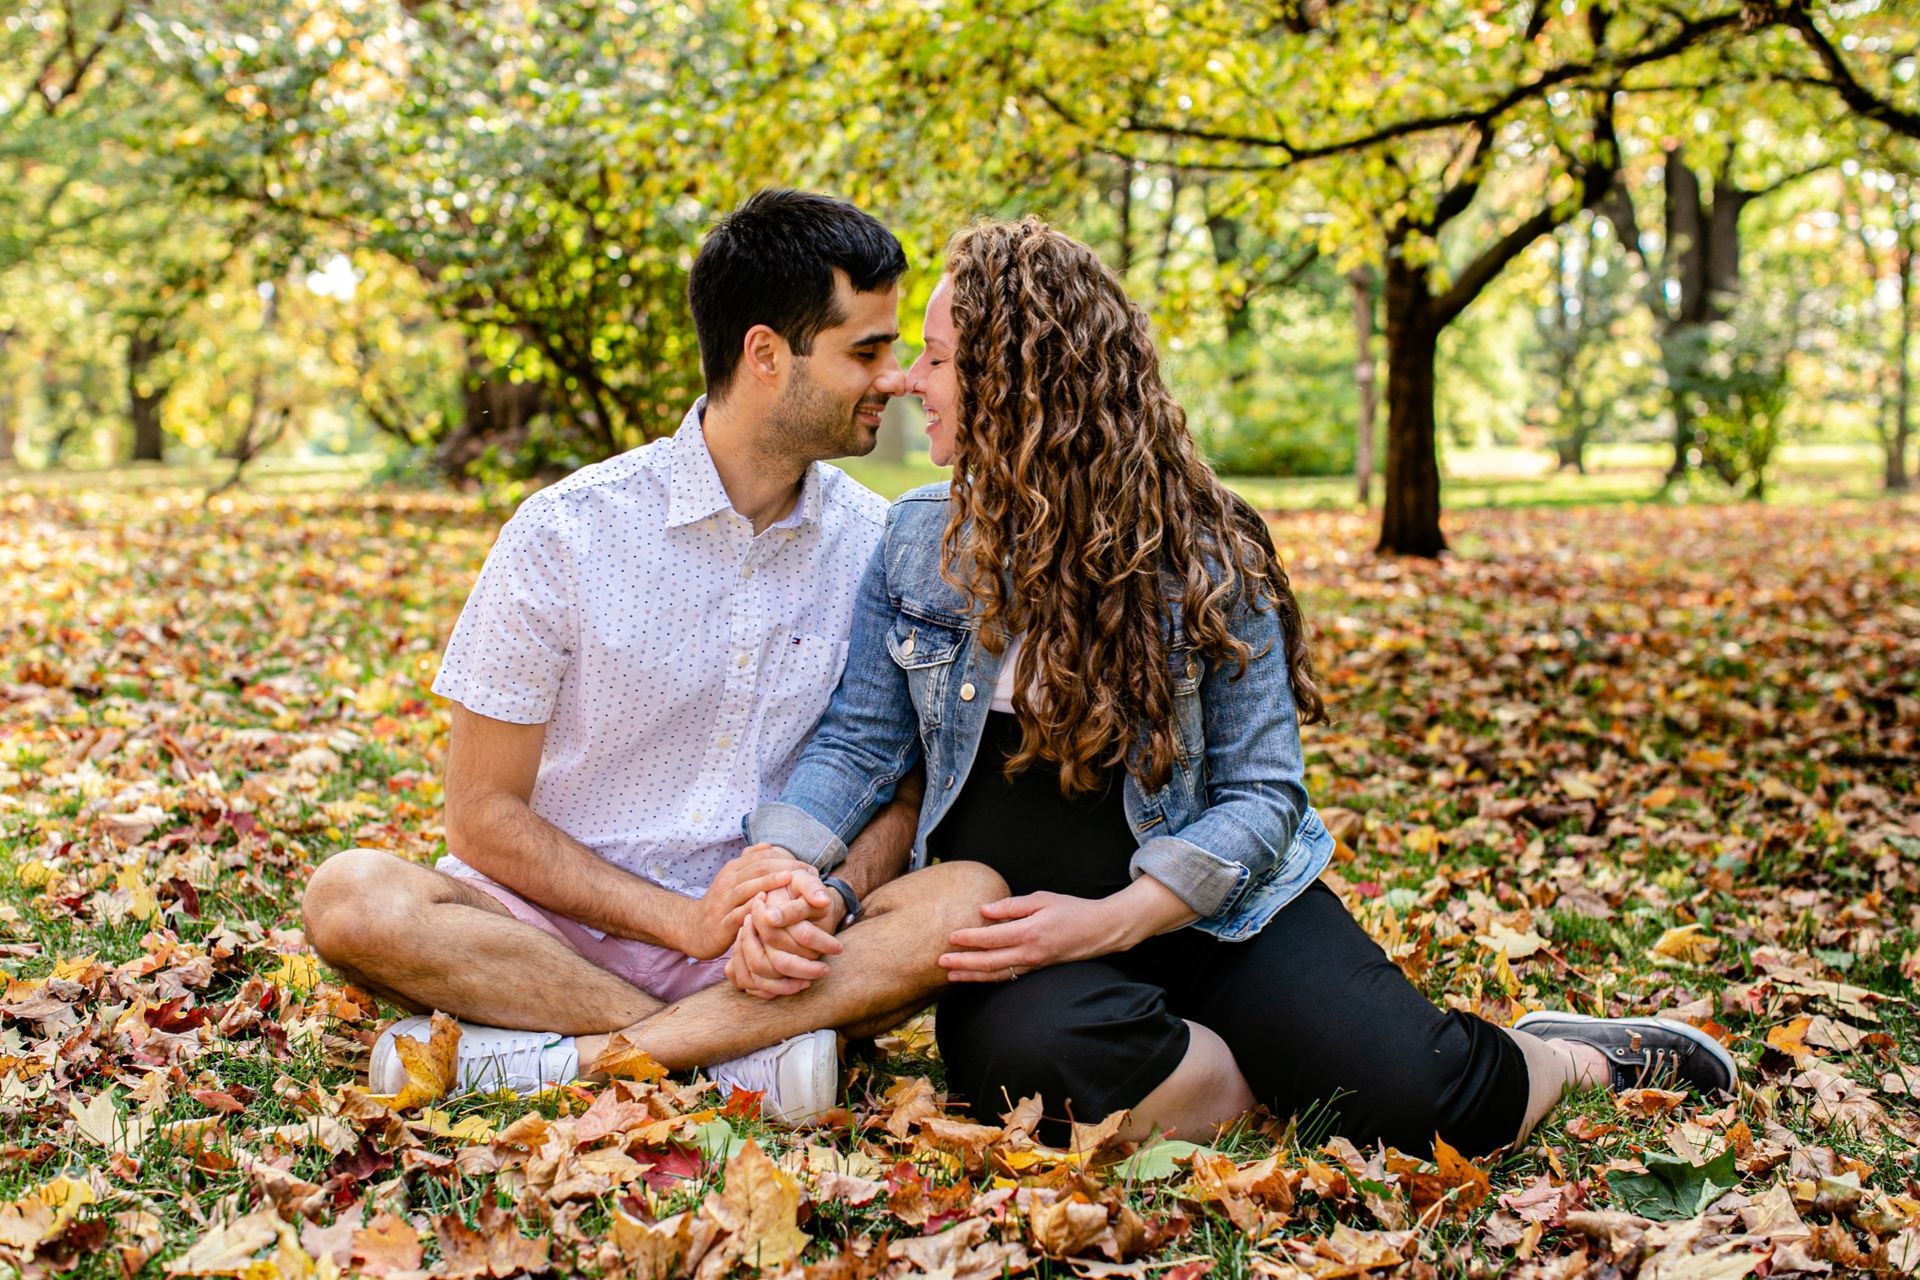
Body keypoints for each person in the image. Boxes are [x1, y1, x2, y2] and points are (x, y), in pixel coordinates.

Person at [741, 217, 1738, 1153]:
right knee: (1026, 1067)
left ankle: (1561, 1055)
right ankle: (1252, 1070)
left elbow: (1264, 794)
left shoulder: (1204, 552)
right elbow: (860, 741)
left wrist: (1118, 916)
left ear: (1020, 383)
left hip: (1213, 911)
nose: (909, 380)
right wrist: (782, 862)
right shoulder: (917, 540)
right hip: (1029, 946)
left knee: (1424, 1104)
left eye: (938, 358)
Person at [300, 190, 1017, 1123]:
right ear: (767, 354)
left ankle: (552, 1062)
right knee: (351, 897)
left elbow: (900, 788)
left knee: (968, 901)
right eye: (865, 352)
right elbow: (480, 817)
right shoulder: (563, 534)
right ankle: (732, 1051)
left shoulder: (882, 545)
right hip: (550, 935)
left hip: (775, 949)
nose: (896, 379)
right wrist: (683, 922)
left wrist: (828, 900)